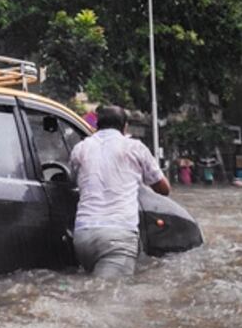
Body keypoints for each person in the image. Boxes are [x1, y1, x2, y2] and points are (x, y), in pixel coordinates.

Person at [70, 104, 170, 278]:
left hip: (82, 235)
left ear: (97, 126)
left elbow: (73, 180)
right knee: (108, 297)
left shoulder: (80, 148)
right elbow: (163, 189)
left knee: (92, 291)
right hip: (117, 237)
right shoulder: (134, 148)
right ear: (125, 127)